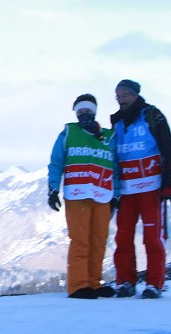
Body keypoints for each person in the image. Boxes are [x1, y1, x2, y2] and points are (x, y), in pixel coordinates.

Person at [109, 80, 171, 298]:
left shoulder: (152, 115)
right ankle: (125, 281)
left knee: (152, 237)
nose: (121, 100)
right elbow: (112, 156)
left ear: (135, 95)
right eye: (117, 96)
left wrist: (168, 183)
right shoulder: (117, 122)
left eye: (124, 95)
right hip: (126, 190)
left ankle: (154, 283)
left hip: (151, 188)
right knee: (122, 237)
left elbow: (170, 148)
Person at [47, 94, 119, 299]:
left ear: (94, 112)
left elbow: (116, 167)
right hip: (77, 193)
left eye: (87, 111)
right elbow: (56, 162)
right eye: (80, 111)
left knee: (99, 240)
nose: (84, 114)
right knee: (80, 240)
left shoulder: (108, 137)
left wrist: (117, 194)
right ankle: (78, 285)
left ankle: (94, 283)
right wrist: (53, 189)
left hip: (103, 194)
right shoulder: (68, 134)